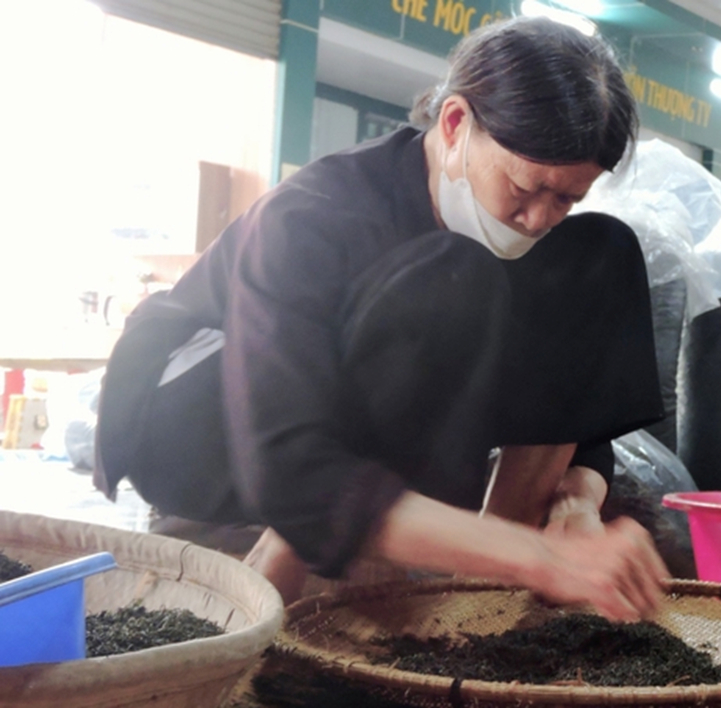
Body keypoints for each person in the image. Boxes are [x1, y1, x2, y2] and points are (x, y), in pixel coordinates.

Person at [94, 16, 669, 621]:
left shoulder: (538, 237)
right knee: (450, 277)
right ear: (455, 124)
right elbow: (285, 458)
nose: (539, 218)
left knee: (602, 250)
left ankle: (479, 593)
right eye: (527, 187)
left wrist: (576, 506)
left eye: (566, 199)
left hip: (361, 435)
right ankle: (293, 549)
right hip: (201, 423)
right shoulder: (316, 214)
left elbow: (574, 398)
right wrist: (535, 559)